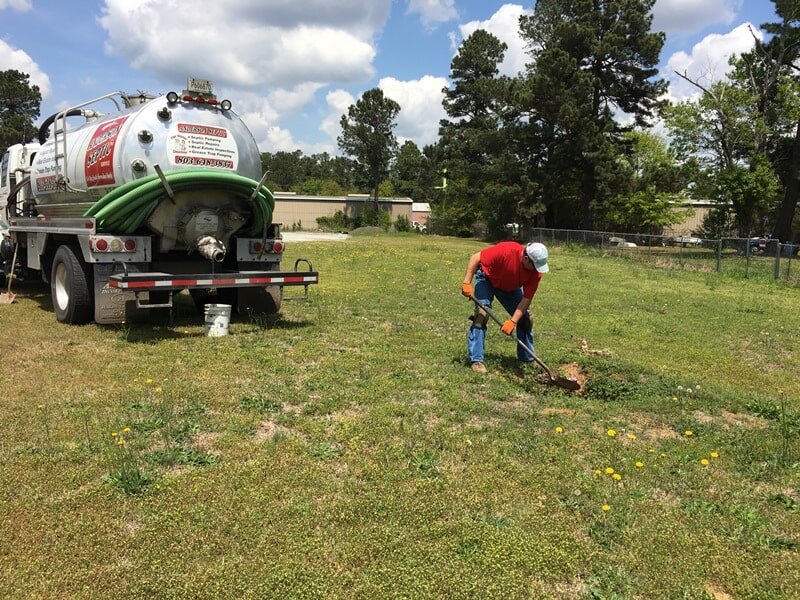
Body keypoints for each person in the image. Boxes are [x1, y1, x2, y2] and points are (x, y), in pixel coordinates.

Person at [460, 241, 549, 374]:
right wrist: (466, 282)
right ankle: (476, 360)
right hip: (487, 279)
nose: (537, 269)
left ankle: (526, 358)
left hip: (510, 288)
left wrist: (513, 321)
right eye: (535, 265)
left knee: (525, 319)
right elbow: (475, 257)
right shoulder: (507, 250)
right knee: (481, 315)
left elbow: (526, 300)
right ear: (526, 259)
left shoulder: (536, 273)